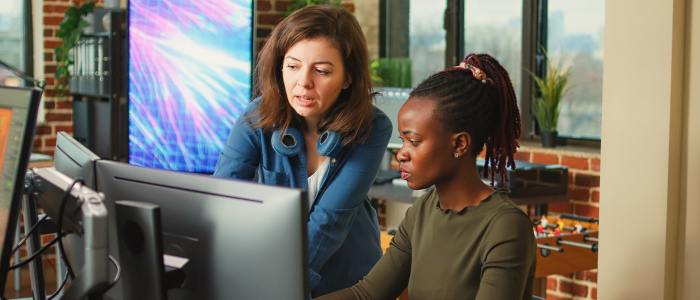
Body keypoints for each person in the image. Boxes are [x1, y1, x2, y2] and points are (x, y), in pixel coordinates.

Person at [314, 54, 536, 300]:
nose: (401, 154)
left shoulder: (506, 226)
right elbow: (367, 294)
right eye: (402, 140)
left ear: (460, 144)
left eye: (414, 141)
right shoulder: (423, 211)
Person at [212, 5, 391, 298]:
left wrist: (280, 284)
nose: (304, 82)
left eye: (321, 71)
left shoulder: (371, 127)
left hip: (349, 283)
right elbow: (223, 201)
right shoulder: (256, 116)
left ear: (348, 78)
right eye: (293, 66)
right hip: (273, 274)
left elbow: (329, 221)